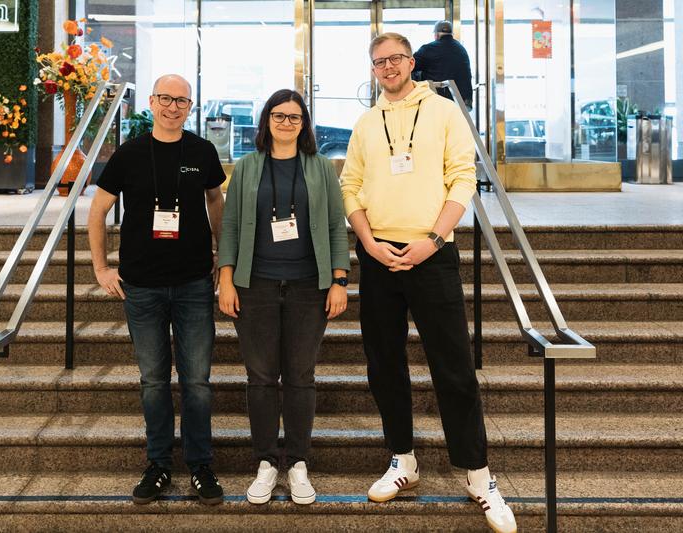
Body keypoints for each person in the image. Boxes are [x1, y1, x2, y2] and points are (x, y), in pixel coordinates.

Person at [340, 33, 517, 533]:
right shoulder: (367, 123)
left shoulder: (441, 112)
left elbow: (462, 177)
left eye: (395, 58)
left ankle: (478, 474)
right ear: (373, 69)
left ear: (411, 62)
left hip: (432, 253)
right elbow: (349, 184)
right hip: (378, 257)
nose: (388, 67)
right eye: (378, 62)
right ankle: (403, 461)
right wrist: (370, 244)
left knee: (454, 368)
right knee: (384, 366)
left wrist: (435, 240)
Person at [87, 74, 226, 506]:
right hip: (142, 285)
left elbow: (215, 200)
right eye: (165, 98)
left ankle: (201, 465)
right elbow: (97, 211)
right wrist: (100, 268)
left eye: (181, 101)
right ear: (151, 101)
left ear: (190, 106)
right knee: (153, 381)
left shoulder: (202, 151)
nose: (173, 107)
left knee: (198, 381)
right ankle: (159, 464)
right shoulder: (129, 153)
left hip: (193, 283)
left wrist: (223, 257)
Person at [218, 88, 350, 506]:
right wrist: (225, 278)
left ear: (304, 124)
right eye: (279, 115)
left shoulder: (321, 168)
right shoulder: (247, 166)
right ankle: (265, 461)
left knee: (300, 376)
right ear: (266, 121)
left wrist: (340, 280)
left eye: (295, 117)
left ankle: (296, 461)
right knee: (259, 377)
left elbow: (335, 225)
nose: (287, 123)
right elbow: (233, 225)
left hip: (308, 286)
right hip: (254, 284)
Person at [412, 20, 473, 110]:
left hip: (436, 100)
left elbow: (411, 66)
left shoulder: (428, 49)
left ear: (436, 35)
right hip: (460, 101)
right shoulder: (461, 49)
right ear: (451, 34)